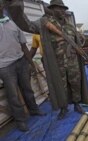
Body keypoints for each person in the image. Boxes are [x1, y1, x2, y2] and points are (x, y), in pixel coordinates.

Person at [6, 0, 88, 120]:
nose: (61, 11)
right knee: (60, 86)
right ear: (51, 9)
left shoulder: (70, 26)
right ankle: (63, 108)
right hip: (56, 63)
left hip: (73, 62)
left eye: (63, 8)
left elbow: (77, 43)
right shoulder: (44, 23)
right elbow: (27, 25)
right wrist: (15, 7)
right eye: (58, 8)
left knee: (75, 83)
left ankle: (77, 104)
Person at [0, 0, 45, 132]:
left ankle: (34, 109)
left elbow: (24, 46)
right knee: (12, 94)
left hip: (21, 61)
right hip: (4, 66)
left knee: (27, 88)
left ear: (3, 7)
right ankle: (20, 120)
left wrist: (31, 63)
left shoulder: (12, 23)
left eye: (1, 4)